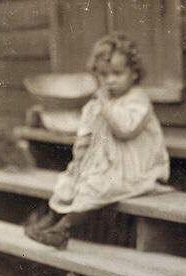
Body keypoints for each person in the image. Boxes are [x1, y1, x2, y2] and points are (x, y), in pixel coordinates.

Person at [25, 33, 170, 249]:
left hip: (133, 165)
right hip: (104, 161)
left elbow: (125, 130)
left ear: (134, 73)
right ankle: (51, 220)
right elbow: (84, 135)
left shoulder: (138, 100)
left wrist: (105, 106)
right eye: (103, 75)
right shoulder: (96, 104)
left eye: (117, 73)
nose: (110, 80)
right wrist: (78, 161)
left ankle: (63, 228)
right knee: (70, 179)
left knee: (97, 185)